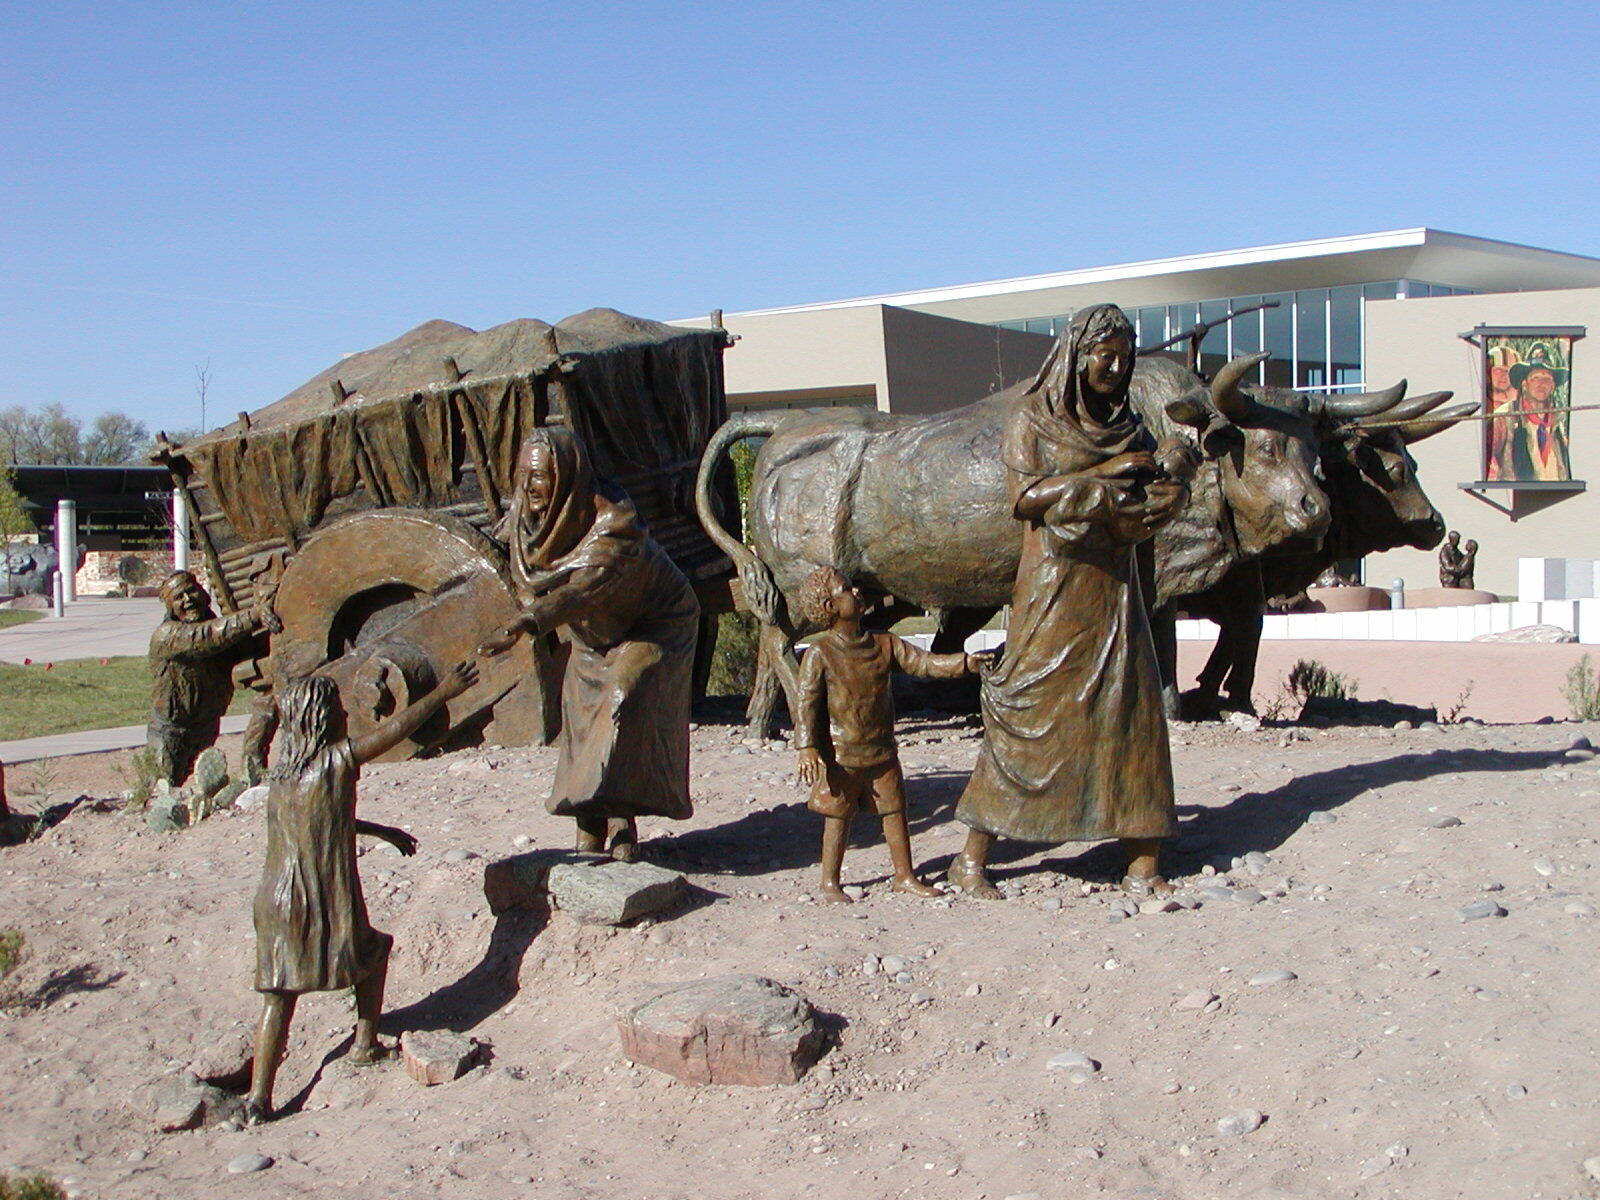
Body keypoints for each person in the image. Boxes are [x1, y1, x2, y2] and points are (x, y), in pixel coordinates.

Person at [948, 304, 1192, 899]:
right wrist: (1109, 471)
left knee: (1128, 712)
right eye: (1103, 355)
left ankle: (1140, 854)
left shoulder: (1130, 424)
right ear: (1075, 356)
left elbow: (1145, 498)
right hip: (1054, 589)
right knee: (1034, 712)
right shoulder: (1032, 418)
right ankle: (973, 856)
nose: (1114, 367)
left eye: (1124, 358)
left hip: (1115, 589)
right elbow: (1025, 498)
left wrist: (1171, 482)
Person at [244, 662, 478, 1122]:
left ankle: (258, 1099)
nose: (345, 714)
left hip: (274, 901)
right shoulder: (336, 760)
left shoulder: (284, 777)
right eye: (337, 707)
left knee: (278, 996)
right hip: (315, 896)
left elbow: (321, 819)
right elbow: (395, 731)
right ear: (321, 717)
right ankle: (365, 1043)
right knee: (374, 952)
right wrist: (443, 692)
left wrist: (379, 830)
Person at [478, 428, 699, 860]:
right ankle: (587, 823)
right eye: (524, 474)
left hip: (655, 621)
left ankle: (621, 821)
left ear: (568, 477)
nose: (530, 486)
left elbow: (583, 590)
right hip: (593, 632)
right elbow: (537, 582)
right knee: (580, 721)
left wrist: (529, 621)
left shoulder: (615, 527)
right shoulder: (529, 524)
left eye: (540, 476)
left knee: (624, 697)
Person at [793, 567, 989, 902]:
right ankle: (829, 882)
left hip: (882, 750)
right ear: (829, 606)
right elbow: (806, 702)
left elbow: (924, 663)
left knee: (895, 811)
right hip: (840, 756)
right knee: (837, 817)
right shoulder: (820, 653)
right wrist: (806, 747)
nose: (856, 592)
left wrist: (964, 663)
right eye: (846, 589)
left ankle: (905, 876)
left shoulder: (883, 644)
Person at [147, 570, 279, 786]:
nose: (188, 600)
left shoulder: (217, 624)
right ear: (170, 606)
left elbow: (238, 650)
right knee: (161, 786)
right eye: (179, 597)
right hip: (171, 729)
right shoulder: (167, 635)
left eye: (191, 592)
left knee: (202, 785)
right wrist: (254, 615)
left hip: (206, 723)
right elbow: (208, 636)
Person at [1508, 355, 1571, 481]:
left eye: (1547, 379)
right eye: (1535, 378)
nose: (1541, 384)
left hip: (1556, 494)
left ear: (1552, 386)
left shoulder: (1559, 421)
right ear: (1525, 384)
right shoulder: (1506, 416)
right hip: (1516, 494)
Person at [1484, 345, 1520, 481]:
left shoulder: (1522, 404)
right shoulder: (1483, 403)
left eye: (1508, 371)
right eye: (1498, 370)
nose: (1504, 376)